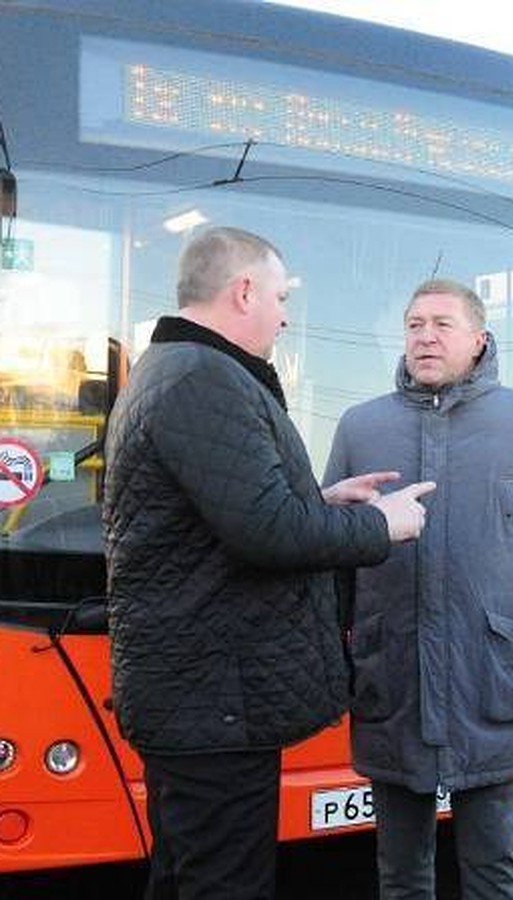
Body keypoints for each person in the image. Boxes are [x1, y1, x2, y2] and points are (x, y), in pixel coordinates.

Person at [103, 226, 435, 900]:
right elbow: (267, 533)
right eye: (282, 297)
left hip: (201, 698)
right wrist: (380, 524)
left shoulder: (177, 369)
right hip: (215, 701)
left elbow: (229, 513)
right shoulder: (201, 377)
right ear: (244, 291)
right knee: (225, 884)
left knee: (186, 876)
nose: (286, 315)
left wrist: (321, 500)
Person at [324, 278, 513, 900]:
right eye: (415, 324)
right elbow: (328, 555)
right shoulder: (361, 426)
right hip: (392, 679)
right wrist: (329, 668)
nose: (425, 336)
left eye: (442, 324)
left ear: (479, 338)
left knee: (493, 867)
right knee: (400, 871)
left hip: (494, 679)